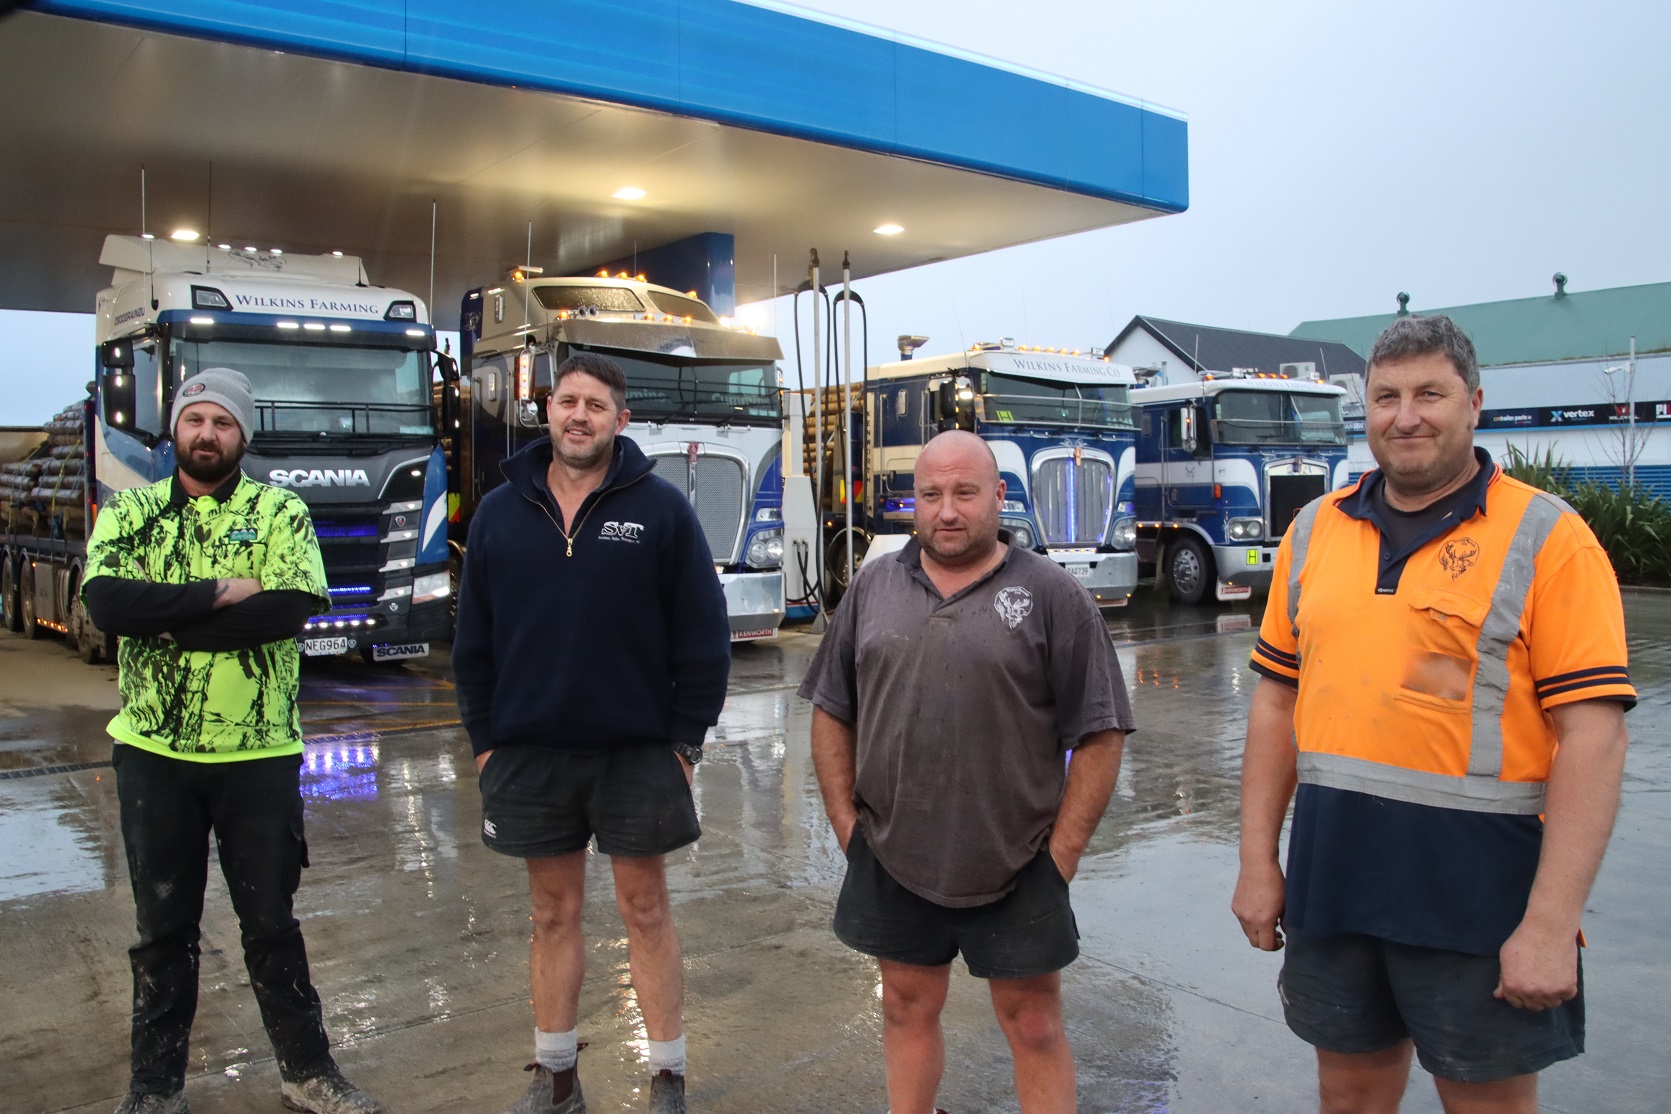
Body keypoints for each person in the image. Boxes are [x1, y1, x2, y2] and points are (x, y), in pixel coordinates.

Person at [1232, 315, 1635, 1114]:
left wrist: (1550, 924)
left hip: (1477, 893)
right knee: (1347, 1094)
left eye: (1428, 394)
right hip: (1334, 878)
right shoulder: (1315, 531)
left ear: (1473, 403)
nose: (1404, 415)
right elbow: (1276, 703)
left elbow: (1594, 736)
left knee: (1483, 1104)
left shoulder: (1547, 537)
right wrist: (1256, 862)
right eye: (1385, 396)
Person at [799, 429, 1134, 1114]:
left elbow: (1100, 732)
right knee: (904, 1008)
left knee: (1033, 1023)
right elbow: (832, 710)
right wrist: (846, 826)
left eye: (963, 493)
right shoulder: (873, 586)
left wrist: (1059, 856)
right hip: (892, 857)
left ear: (998, 497)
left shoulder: (1051, 594)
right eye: (930, 495)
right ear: (911, 503)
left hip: (1018, 861)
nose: (946, 511)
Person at [82, 367, 385, 1114]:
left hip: (259, 758)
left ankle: (307, 1071)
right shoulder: (131, 513)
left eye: (222, 423)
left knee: (270, 923)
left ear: (242, 436)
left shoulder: (279, 511)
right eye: (195, 421)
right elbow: (105, 602)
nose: (207, 434)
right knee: (162, 928)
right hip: (153, 756)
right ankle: (154, 1088)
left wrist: (163, 619)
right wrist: (221, 592)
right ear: (175, 431)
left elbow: (283, 614)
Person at [452, 352, 731, 1114]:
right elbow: (472, 643)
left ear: (621, 420)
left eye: (596, 406)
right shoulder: (500, 513)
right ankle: (555, 1077)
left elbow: (702, 639)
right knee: (551, 913)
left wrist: (684, 744)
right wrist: (485, 739)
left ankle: (668, 1076)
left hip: (638, 754)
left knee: (646, 909)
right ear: (547, 410)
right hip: (529, 753)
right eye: (567, 401)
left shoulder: (662, 510)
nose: (579, 415)